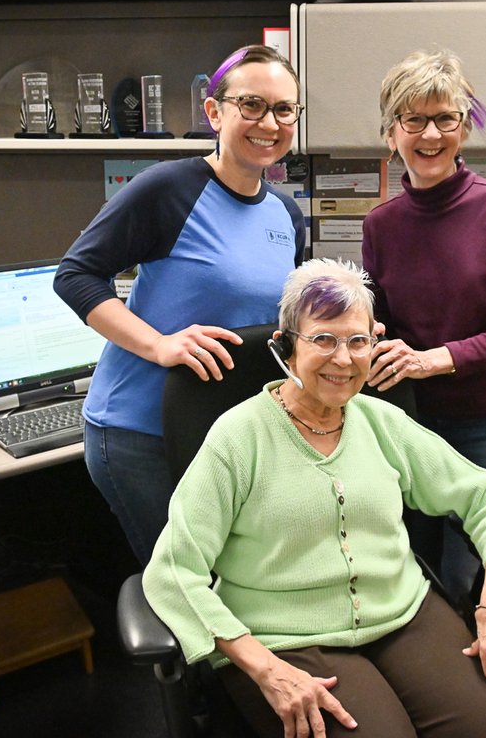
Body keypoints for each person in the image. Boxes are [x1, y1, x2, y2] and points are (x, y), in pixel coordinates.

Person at [143, 258, 486, 738]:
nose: (344, 359)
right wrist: (264, 667)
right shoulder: (237, 437)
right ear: (287, 347)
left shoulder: (380, 421)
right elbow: (173, 571)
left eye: (358, 341)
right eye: (324, 340)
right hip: (286, 638)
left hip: (405, 616)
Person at [54, 45, 306, 565]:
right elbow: (76, 275)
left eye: (285, 109)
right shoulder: (168, 189)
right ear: (215, 112)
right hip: (140, 433)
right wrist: (160, 344)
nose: (270, 122)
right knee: (188, 585)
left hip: (223, 435)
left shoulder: (285, 213)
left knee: (233, 578)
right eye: (252, 105)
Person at [361, 48, 486, 606]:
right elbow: (381, 322)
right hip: (411, 421)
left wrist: (432, 358)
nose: (430, 134)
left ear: (465, 125)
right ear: (391, 131)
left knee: (475, 573)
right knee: (409, 568)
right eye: (414, 120)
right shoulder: (381, 225)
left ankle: (481, 682)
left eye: (446, 118)